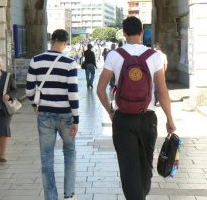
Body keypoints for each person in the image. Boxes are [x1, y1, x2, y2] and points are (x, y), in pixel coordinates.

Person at [97, 16, 176, 200]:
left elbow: (100, 89)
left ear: (124, 33)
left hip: (123, 118)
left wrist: (110, 111)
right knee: (145, 164)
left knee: (128, 166)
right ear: (142, 32)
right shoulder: (154, 56)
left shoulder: (114, 55)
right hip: (147, 118)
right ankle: (141, 195)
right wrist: (170, 119)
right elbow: (162, 91)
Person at [25, 29, 79, 200]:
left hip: (45, 115)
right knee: (69, 153)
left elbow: (28, 91)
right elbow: (73, 94)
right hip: (66, 115)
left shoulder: (36, 60)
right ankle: (69, 195)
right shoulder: (70, 63)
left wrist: (35, 103)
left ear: (51, 40)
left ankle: (51, 197)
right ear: (65, 42)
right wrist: (76, 119)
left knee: (47, 158)